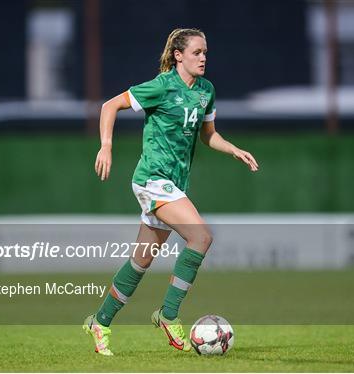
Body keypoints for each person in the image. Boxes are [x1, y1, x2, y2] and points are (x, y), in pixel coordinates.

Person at [83, 28, 259, 356]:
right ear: (178, 55)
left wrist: (232, 149)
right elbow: (109, 106)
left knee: (140, 261)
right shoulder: (162, 86)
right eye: (196, 52)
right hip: (152, 178)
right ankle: (168, 314)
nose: (203, 57)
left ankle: (100, 321)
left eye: (205, 52)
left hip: (174, 183)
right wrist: (106, 147)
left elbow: (208, 135)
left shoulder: (206, 90)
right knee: (201, 237)